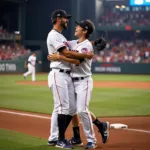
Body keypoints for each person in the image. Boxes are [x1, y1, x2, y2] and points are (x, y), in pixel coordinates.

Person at [48, 19, 109, 149]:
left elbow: (77, 61)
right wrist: (94, 42)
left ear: (85, 30)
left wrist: (59, 57)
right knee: (73, 110)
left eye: (78, 27)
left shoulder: (86, 46)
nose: (75, 27)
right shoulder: (75, 43)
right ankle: (88, 131)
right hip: (72, 81)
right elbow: (66, 46)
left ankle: (91, 140)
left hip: (83, 81)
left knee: (82, 110)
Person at [46, 9, 94, 149]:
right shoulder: (54, 35)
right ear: (58, 19)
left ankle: (54, 137)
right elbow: (67, 52)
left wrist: (91, 48)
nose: (67, 20)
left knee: (71, 109)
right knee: (61, 107)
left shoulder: (61, 37)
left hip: (67, 75)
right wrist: (84, 56)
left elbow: (79, 45)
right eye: (66, 18)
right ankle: (60, 139)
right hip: (58, 73)